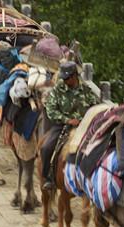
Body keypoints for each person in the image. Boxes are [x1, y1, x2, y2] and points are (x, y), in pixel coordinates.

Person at [40, 61, 99, 191]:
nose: (65, 81)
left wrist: (87, 120)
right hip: (63, 126)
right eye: (63, 78)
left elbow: (94, 106)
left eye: (67, 78)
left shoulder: (86, 90)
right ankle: (48, 177)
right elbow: (51, 109)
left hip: (84, 127)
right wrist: (67, 120)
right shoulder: (58, 89)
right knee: (46, 147)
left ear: (74, 76)